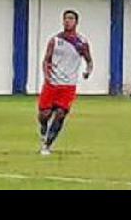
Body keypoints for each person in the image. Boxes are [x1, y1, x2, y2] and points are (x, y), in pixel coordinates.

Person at [38, 10, 93, 156]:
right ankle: (43, 128)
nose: (68, 21)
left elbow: (89, 60)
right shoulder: (55, 40)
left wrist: (88, 71)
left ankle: (47, 145)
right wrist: (46, 74)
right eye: (65, 19)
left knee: (61, 114)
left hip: (68, 85)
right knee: (44, 114)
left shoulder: (82, 42)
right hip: (52, 83)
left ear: (76, 22)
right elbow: (46, 60)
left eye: (71, 18)